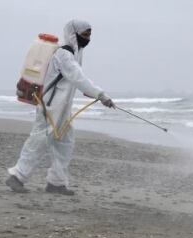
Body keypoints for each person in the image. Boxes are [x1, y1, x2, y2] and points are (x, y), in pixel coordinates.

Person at [6, 19, 115, 196]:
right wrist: (101, 95)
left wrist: (94, 93)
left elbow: (75, 79)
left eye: (89, 35)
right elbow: (78, 77)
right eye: (85, 34)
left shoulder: (75, 53)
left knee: (65, 143)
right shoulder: (64, 53)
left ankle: (56, 183)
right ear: (74, 33)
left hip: (62, 109)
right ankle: (17, 177)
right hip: (49, 107)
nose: (87, 38)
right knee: (38, 142)